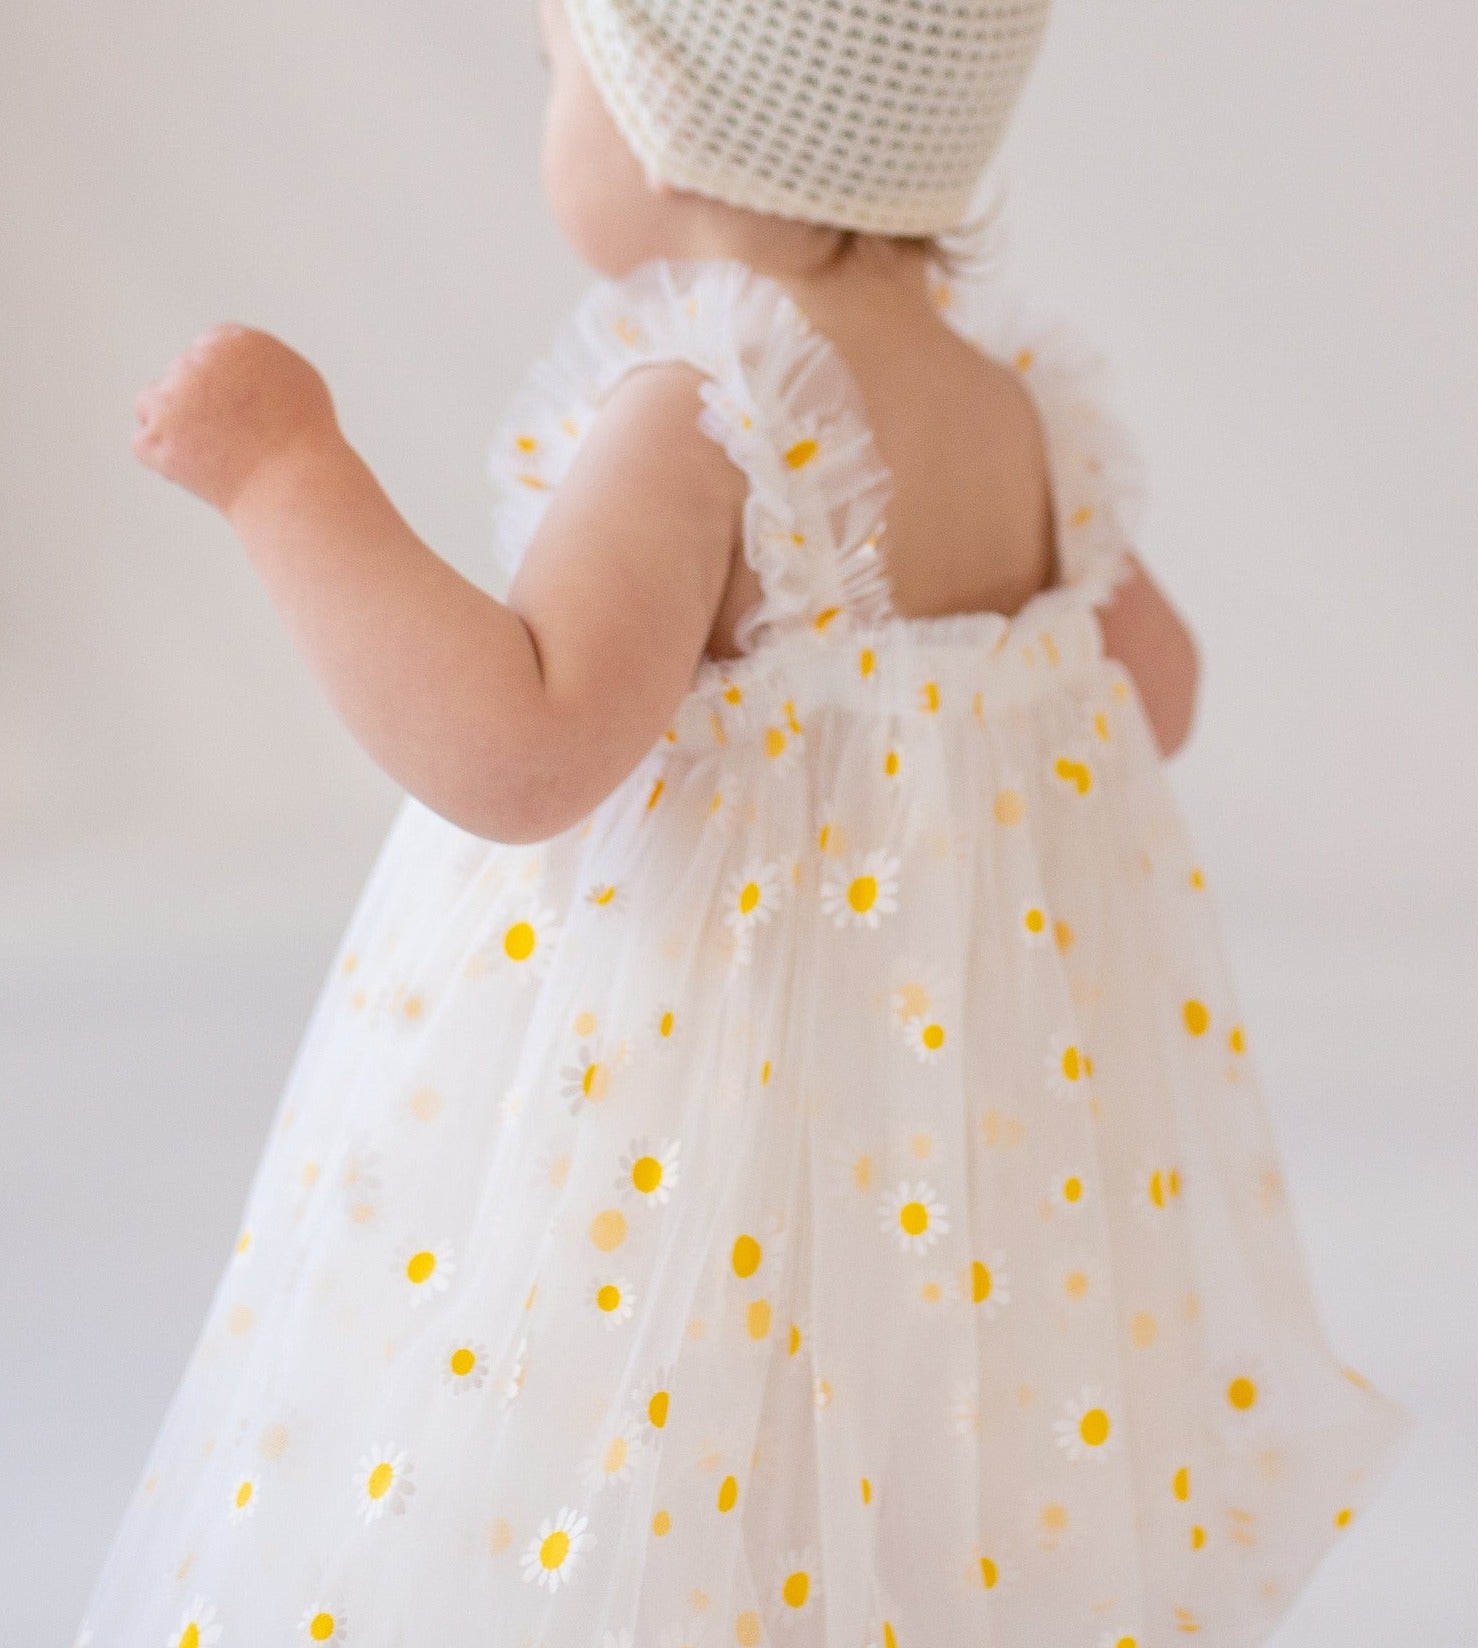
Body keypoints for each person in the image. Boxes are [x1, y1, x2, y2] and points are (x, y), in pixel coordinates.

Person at [83, 2, 1408, 1643]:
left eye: (559, 64)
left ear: (674, 117)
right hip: (948, 1145)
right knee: (882, 1446)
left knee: (651, 1430)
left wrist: (288, 477)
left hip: (682, 1120)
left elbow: (522, 747)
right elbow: (1161, 693)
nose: (546, 102)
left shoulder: (708, 415)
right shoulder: (1019, 412)